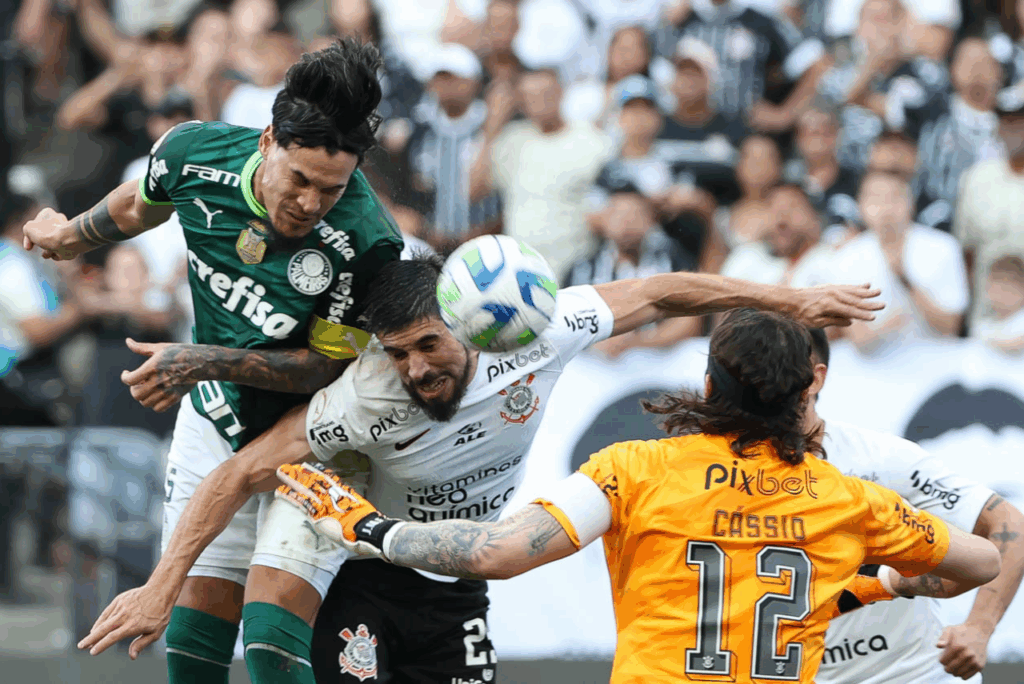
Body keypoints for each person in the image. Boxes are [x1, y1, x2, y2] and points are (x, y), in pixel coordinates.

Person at [78, 255, 884, 683]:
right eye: (397, 355)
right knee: (266, 640)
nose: (417, 370)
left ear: (471, 328)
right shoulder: (359, 399)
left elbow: (666, 292)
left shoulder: (536, 328)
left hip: (458, 581)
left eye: (430, 347)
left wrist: (792, 299)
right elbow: (242, 472)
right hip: (366, 566)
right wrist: (162, 580)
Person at [272, 308, 1001, 684]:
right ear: (806, 392)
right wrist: (884, 581)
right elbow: (983, 563)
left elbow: (497, 553)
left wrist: (371, 528)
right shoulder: (851, 499)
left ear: (710, 386)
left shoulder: (637, 467)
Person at [23, 39, 403, 684]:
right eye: (301, 180)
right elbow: (139, 204)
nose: (311, 203)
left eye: (332, 189)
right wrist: (70, 234)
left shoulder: (368, 242)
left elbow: (319, 369)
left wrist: (202, 360)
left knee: (269, 642)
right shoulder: (193, 153)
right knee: (192, 641)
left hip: (312, 436)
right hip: (214, 422)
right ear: (267, 141)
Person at [807, 329, 1024, 683]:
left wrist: (979, 627)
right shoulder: (716, 476)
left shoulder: (878, 458)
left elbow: (1010, 524)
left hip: (916, 675)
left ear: (815, 378)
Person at [829, 171, 968, 353]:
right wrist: (889, 325)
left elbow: (951, 327)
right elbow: (859, 339)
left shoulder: (944, 247)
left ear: (911, 203)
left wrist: (905, 280)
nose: (886, 208)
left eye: (894, 198)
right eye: (875, 199)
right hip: (874, 368)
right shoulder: (846, 258)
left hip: (936, 360)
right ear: (861, 206)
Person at [954, 80, 1024, 335]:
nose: (1015, 129)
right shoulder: (976, 178)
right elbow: (966, 253)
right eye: (1008, 122)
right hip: (986, 315)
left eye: (1021, 121)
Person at [972, 254, 1024, 354]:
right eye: (996, 290)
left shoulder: (1021, 319)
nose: (1001, 297)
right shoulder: (985, 324)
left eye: (1007, 291)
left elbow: (1018, 342)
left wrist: (997, 342)